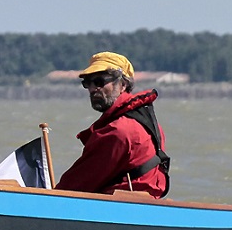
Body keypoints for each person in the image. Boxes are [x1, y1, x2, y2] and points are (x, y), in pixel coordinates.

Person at [55, 52, 170, 198]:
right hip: (143, 207)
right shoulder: (151, 125)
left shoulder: (118, 131)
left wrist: (49, 196)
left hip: (118, 210)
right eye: (87, 83)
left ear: (123, 84)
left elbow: (74, 186)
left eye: (99, 82)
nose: (92, 89)